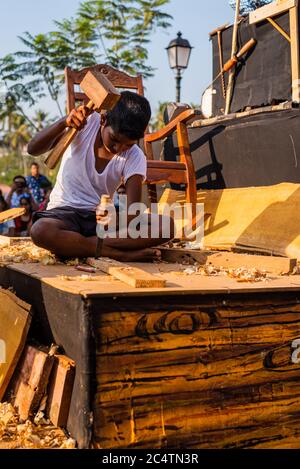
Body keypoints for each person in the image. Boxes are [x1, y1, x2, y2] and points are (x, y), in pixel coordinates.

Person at [27, 91, 174, 260]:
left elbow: (133, 211)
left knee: (166, 226)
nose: (118, 148)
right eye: (114, 139)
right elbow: (33, 149)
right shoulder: (85, 124)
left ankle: (78, 246)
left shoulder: (135, 156)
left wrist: (113, 218)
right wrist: (64, 122)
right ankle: (114, 253)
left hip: (99, 222)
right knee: (40, 231)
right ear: (103, 120)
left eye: (128, 144)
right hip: (63, 216)